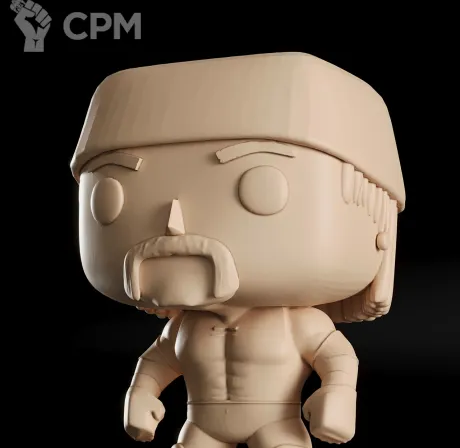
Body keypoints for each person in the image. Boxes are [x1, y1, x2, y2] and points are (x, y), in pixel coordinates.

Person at [71, 52, 405, 447]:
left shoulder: (298, 324)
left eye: (260, 186)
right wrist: (140, 394)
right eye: (108, 196)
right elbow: (157, 361)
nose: (174, 223)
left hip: (276, 426)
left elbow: (338, 359)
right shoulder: (182, 327)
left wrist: (339, 393)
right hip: (201, 426)